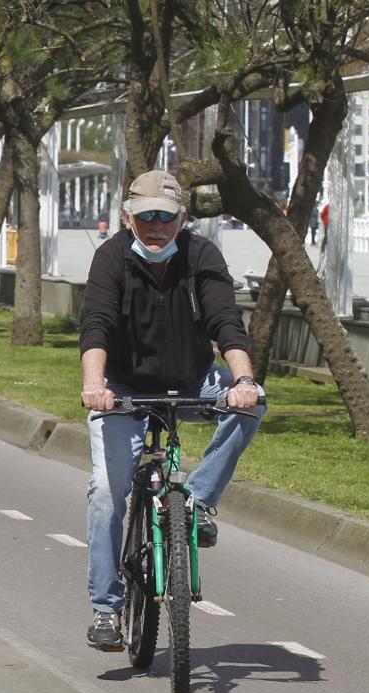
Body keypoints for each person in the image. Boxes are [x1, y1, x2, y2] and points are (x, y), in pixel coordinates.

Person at [79, 170, 265, 651]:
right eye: (146, 217)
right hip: (123, 390)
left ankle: (198, 500)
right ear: (127, 218)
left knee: (253, 406)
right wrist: (94, 386)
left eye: (166, 216)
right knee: (106, 493)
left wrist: (243, 381)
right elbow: (96, 325)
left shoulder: (201, 255)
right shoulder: (111, 258)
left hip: (192, 381)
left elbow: (227, 322)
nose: (157, 226)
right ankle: (106, 609)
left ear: (183, 218)